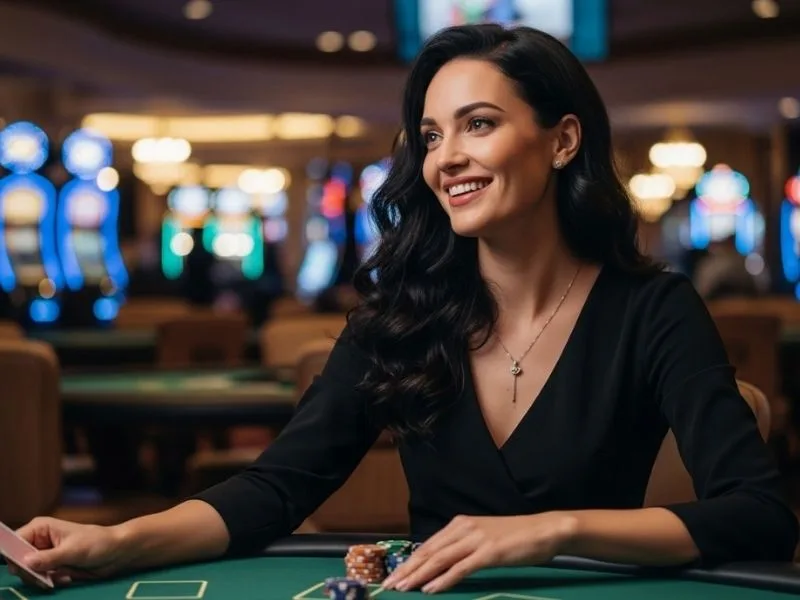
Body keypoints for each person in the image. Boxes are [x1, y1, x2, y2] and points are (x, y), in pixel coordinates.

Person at [9, 24, 798, 594]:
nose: (445, 157)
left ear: (562, 141)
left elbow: (760, 514)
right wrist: (116, 541)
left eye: (478, 124)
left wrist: (555, 529)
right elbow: (274, 491)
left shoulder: (652, 311)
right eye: (430, 135)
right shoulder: (404, 316)